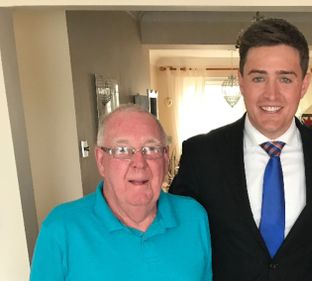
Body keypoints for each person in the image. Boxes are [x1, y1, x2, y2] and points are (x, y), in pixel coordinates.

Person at [169, 18, 312, 281]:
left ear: (304, 84)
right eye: (258, 78)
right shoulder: (202, 154)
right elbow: (175, 232)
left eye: (285, 79)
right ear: (241, 81)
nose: (271, 95)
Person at [30, 105, 212, 281]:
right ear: (101, 161)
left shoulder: (193, 216)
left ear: (165, 159)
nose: (139, 163)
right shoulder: (60, 228)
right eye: (122, 150)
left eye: (151, 149)